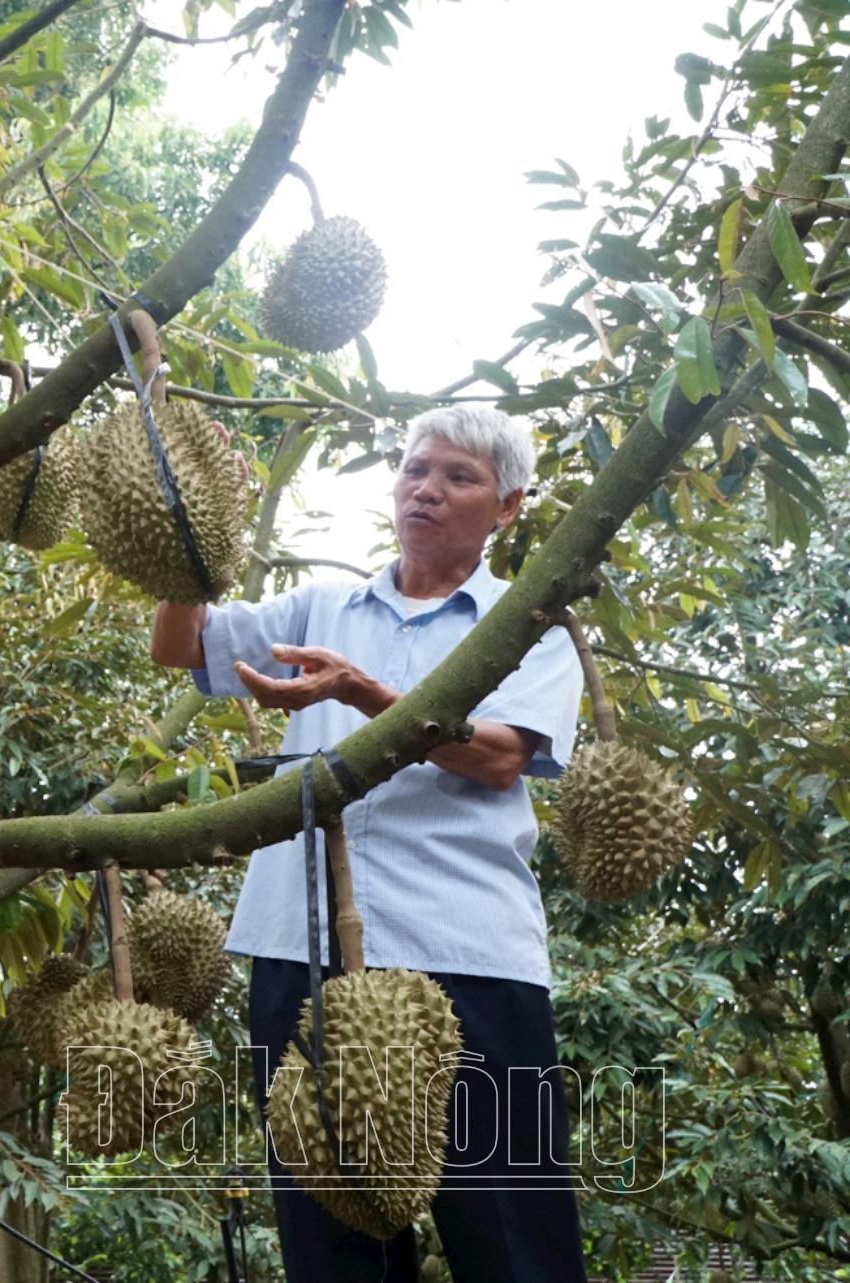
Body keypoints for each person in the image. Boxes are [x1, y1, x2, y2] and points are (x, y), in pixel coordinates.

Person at [149, 406, 588, 1283]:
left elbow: (499, 757)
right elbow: (178, 644)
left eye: (458, 477)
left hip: (468, 952)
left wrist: (362, 695)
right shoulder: (321, 605)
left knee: (511, 1232)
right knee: (334, 1243)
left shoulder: (528, 627)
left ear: (506, 507)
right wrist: (192, 524)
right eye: (415, 469)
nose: (426, 489)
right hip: (301, 950)